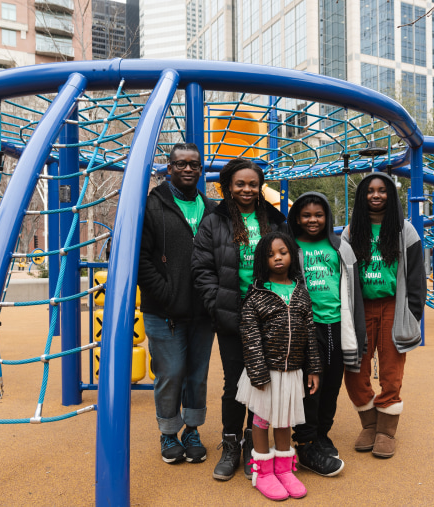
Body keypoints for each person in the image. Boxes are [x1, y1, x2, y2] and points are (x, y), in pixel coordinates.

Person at [191, 157, 288, 481]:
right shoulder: (214, 221)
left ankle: (253, 443)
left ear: (259, 186)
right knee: (234, 383)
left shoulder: (274, 220)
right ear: (228, 187)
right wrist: (217, 304)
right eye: (240, 184)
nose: (247, 189)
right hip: (232, 315)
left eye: (252, 184)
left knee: (262, 381)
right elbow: (202, 268)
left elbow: (290, 262)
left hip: (269, 315)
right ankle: (231, 442)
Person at [137, 143, 217, 464]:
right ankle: (169, 431)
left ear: (201, 170)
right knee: (170, 371)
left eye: (194, 165)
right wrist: (165, 293)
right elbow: (141, 259)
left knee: (197, 374)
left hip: (203, 310)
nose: (187, 169)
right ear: (168, 168)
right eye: (180, 164)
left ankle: (192, 430)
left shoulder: (211, 209)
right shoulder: (152, 206)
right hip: (165, 310)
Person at [342, 173, 427, 459]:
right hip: (361, 307)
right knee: (354, 368)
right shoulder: (351, 232)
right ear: (361, 196)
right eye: (370, 191)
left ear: (391, 195)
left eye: (382, 191)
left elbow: (416, 278)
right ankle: (369, 423)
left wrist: (413, 313)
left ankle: (386, 430)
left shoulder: (406, 231)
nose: (376, 195)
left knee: (391, 370)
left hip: (393, 305)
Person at [236, 232, 321, 501]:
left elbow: (309, 331)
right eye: (271, 254)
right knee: (261, 419)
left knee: (284, 418)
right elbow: (250, 336)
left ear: (291, 255)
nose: (278, 258)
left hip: (293, 371)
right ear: (263, 261)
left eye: (282, 252)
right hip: (265, 372)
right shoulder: (256, 296)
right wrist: (258, 372)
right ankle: (263, 471)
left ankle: (284, 470)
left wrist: (314, 368)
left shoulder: (300, 292)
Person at [286, 192, 366, 477]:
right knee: (310, 387)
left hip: (336, 324)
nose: (312, 220)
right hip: (307, 326)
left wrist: (358, 330)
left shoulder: (341, 247)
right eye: (306, 215)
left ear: (327, 218)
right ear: (296, 217)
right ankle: (305, 440)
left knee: (332, 383)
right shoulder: (289, 246)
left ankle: (322, 434)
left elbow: (353, 290)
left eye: (318, 215)